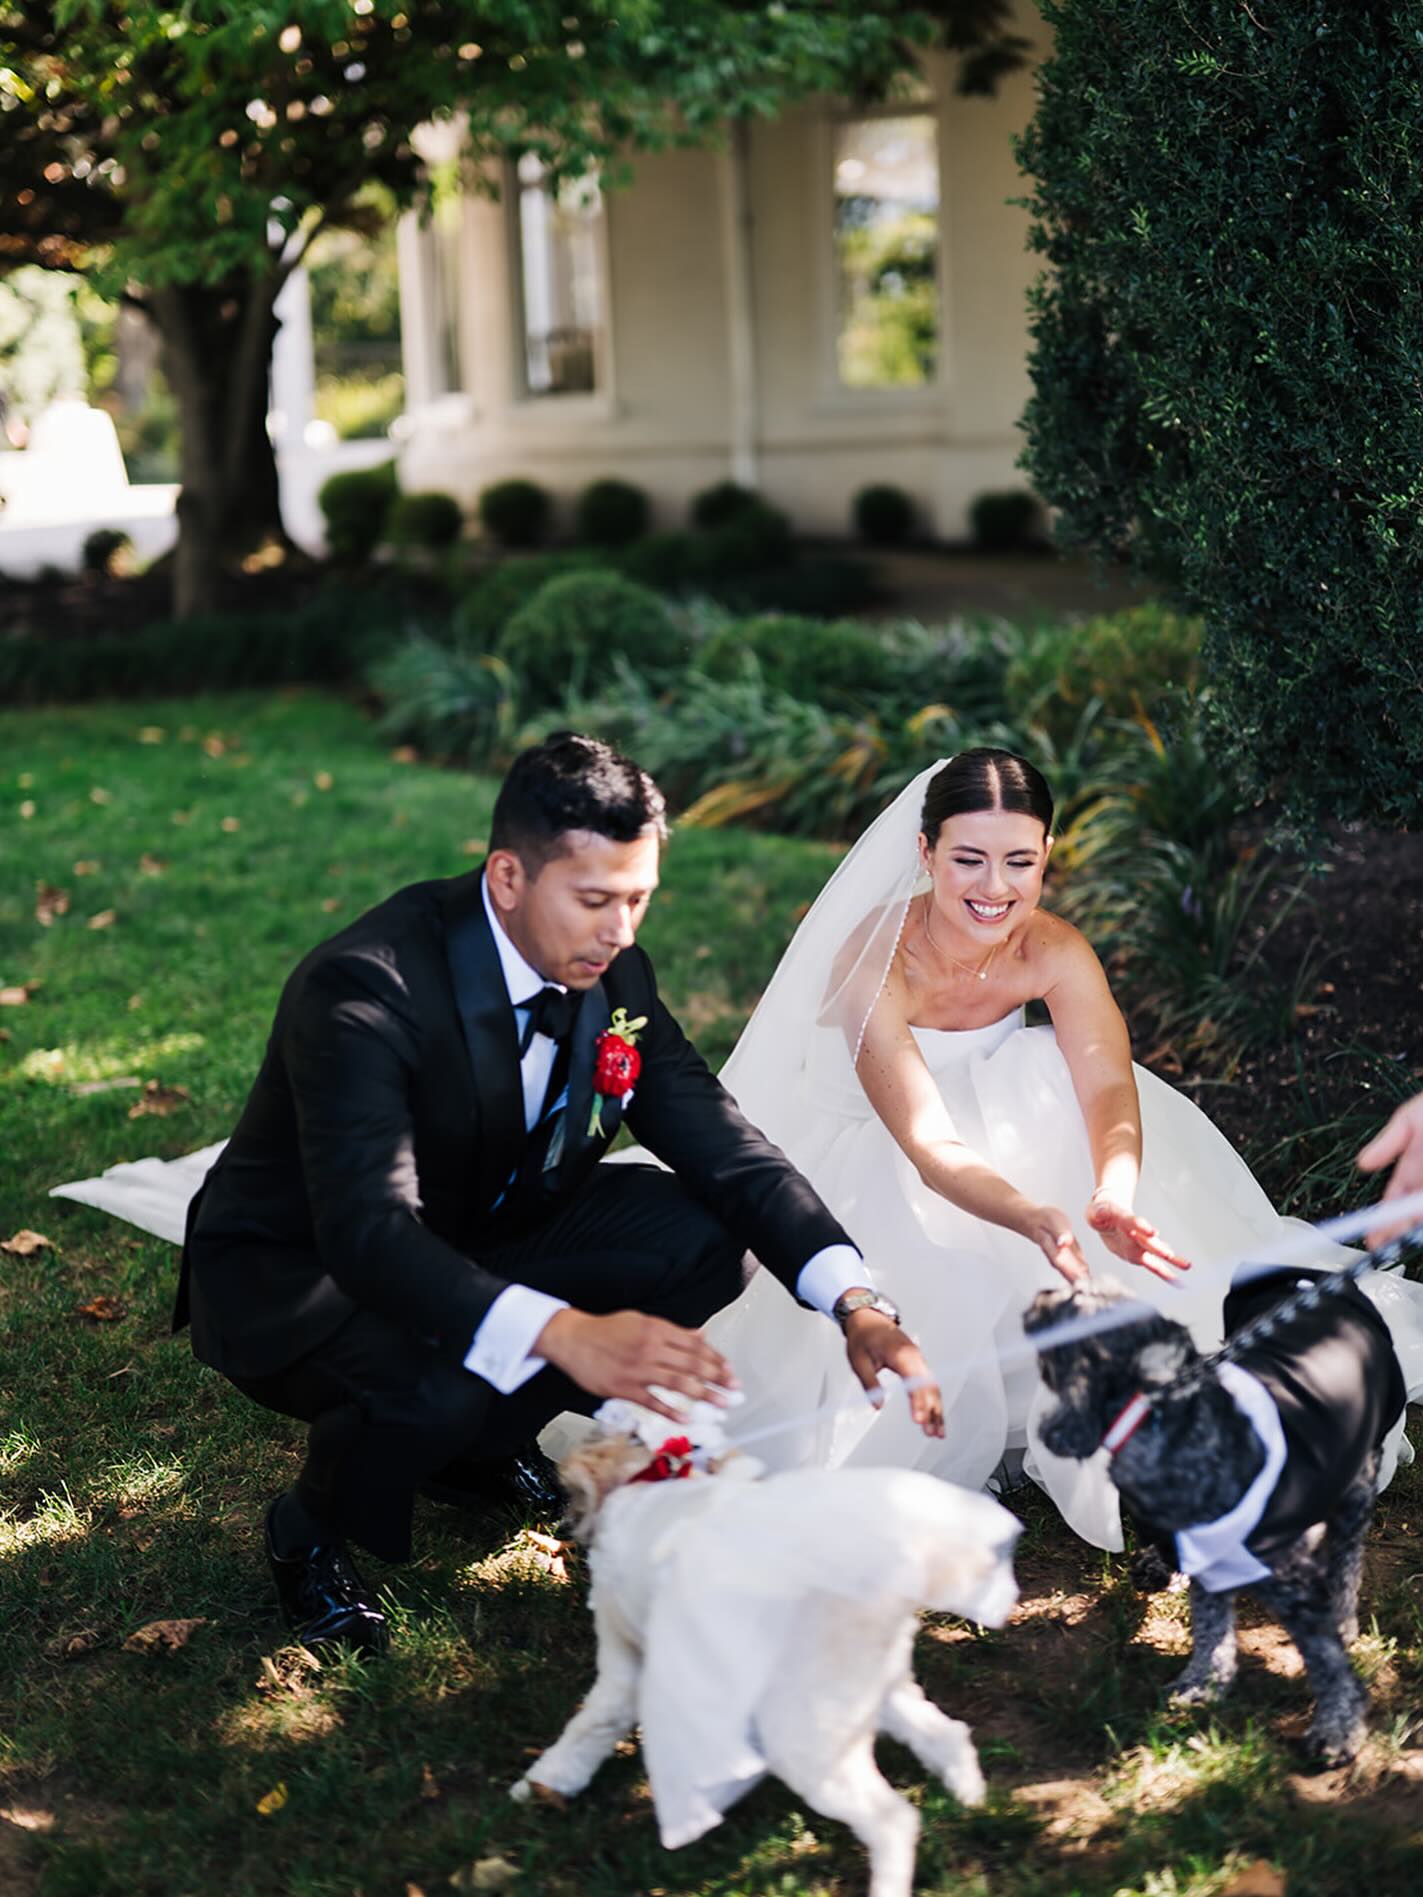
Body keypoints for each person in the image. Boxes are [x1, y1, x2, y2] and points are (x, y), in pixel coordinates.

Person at [175, 733, 940, 1653]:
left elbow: (724, 1148)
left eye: (639, 898)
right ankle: (307, 1529)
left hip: (474, 1228)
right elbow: (370, 1232)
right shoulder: (363, 989)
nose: (620, 932)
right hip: (299, 1276)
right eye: (593, 900)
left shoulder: (615, 973)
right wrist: (566, 1332)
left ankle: (474, 1449)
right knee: (442, 1380)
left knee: (707, 1235)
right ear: (507, 877)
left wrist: (854, 1300)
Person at [703, 749, 1423, 1548]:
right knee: (943, 1274)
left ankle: (1171, 1416)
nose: (993, 888)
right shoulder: (874, 962)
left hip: (1019, 1130)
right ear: (924, 852)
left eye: (1018, 861)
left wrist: (1112, 1190)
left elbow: (1108, 1085)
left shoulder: (1051, 946)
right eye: (967, 859)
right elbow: (928, 1143)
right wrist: (1031, 1215)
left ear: (1046, 854)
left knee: (1046, 1073)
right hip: (898, 1160)